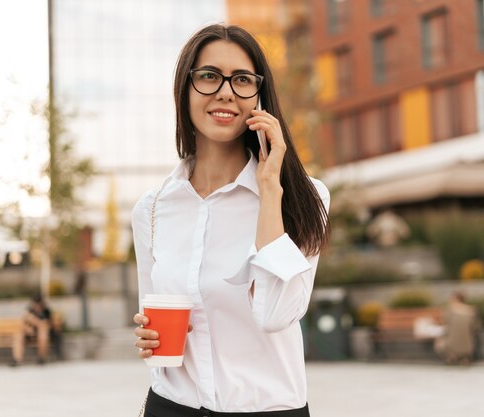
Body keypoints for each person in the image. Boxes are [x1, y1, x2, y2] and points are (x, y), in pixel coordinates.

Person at [131, 24, 330, 417]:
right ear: (184, 89)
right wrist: (147, 336)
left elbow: (275, 315)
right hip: (172, 407)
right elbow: (152, 318)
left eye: (241, 79)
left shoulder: (305, 197)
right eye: (208, 76)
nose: (225, 91)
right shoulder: (152, 209)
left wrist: (270, 188)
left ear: (259, 95)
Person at [10, 294, 62, 366]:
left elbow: (46, 325)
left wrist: (33, 320)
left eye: (38, 304)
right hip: (31, 334)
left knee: (43, 334)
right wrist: (28, 328)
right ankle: (17, 360)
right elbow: (24, 323)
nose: (37, 306)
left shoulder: (46, 311)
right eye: (35, 304)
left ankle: (41, 358)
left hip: (43, 334)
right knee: (18, 335)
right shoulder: (30, 310)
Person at [434, 291, 480, 366]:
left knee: (439, 341)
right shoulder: (472, 310)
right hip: (469, 346)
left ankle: (452, 356)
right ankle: (464, 358)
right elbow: (476, 327)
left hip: (451, 344)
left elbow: (445, 324)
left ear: (455, 299)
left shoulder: (450, 309)